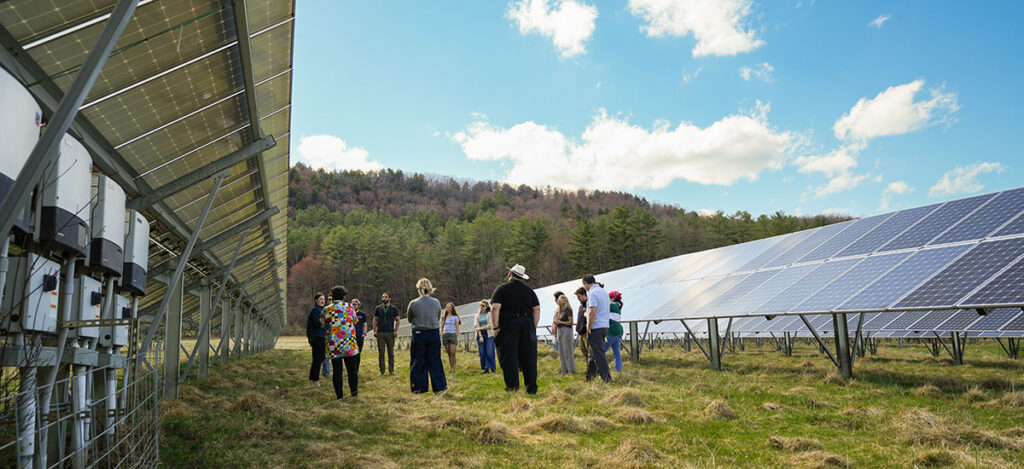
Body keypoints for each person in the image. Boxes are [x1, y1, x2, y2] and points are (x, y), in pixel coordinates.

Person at [490, 264, 540, 394]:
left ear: (510, 274)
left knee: (509, 357)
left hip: (508, 325)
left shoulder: (501, 289)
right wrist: (533, 327)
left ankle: (512, 387)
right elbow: (537, 309)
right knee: (529, 358)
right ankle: (531, 388)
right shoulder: (529, 291)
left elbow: (495, 308)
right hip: (527, 324)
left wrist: (495, 327)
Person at [407, 278, 447, 394]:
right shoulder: (436, 302)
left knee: (418, 361)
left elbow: (410, 318)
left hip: (419, 333)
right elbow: (438, 316)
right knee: (435, 361)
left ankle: (418, 388)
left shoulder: (413, 303)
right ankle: (439, 387)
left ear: (418, 289)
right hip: (433, 333)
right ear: (430, 288)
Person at [321, 285, 360, 399]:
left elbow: (323, 325)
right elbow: (355, 320)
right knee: (352, 370)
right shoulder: (349, 307)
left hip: (334, 344)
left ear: (332, 296)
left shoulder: (327, 309)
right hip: (348, 343)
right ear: (343, 296)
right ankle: (354, 394)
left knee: (337, 371)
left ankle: (339, 396)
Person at [583, 275, 611, 382]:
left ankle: (606, 377)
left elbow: (592, 312)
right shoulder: (604, 292)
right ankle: (590, 377)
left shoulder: (592, 293)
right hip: (605, 326)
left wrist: (589, 327)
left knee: (598, 353)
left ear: (586, 283)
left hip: (596, 326)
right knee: (592, 352)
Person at [372, 293, 400, 375]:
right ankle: (382, 371)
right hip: (380, 333)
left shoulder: (394, 309)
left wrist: (395, 330)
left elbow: (398, 320)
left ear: (389, 298)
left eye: (386, 297)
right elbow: (375, 319)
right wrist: (374, 330)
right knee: (381, 352)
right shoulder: (378, 308)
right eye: (383, 297)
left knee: (391, 352)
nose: (384, 298)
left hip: (390, 333)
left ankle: (391, 370)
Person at [306, 292, 328, 386]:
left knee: (317, 358)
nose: (323, 301)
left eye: (323, 299)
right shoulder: (317, 310)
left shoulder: (320, 310)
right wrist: (325, 322)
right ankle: (316, 379)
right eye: (320, 299)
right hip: (317, 337)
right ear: (316, 300)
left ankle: (313, 377)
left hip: (318, 336)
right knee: (319, 358)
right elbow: (317, 323)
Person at [553, 294, 576, 374]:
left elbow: (571, 322)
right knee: (561, 351)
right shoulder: (559, 311)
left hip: (567, 331)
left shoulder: (568, 310)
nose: (561, 304)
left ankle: (571, 370)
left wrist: (560, 322)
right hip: (560, 330)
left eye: (562, 303)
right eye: (559, 303)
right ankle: (564, 370)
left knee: (568, 351)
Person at [474, 299, 496, 374]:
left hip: (488, 334)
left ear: (486, 307)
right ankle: (485, 368)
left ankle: (492, 367)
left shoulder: (489, 314)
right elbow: (476, 325)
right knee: (482, 352)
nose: (481, 307)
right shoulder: (477, 315)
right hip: (480, 334)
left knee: (489, 351)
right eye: (480, 306)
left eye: (483, 306)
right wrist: (480, 336)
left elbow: (490, 325)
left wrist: (480, 328)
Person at [606, 291, 624, 373]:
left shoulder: (611, 305)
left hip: (611, 332)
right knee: (617, 354)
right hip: (618, 332)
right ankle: (618, 370)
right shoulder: (617, 306)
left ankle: (602, 371)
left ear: (612, 298)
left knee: (601, 352)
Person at [441, 302, 461, 375]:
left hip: (452, 335)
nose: (448, 308)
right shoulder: (444, 317)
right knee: (449, 353)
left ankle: (454, 367)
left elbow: (457, 327)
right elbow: (442, 326)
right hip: (445, 335)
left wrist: (456, 334)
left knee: (453, 352)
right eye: (447, 307)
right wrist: (442, 333)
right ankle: (451, 367)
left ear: (452, 308)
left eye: (449, 307)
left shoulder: (455, 317)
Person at [574, 287, 589, 365]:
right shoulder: (581, 307)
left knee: (590, 352)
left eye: (579, 296)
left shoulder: (589, 305)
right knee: (584, 352)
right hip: (580, 333)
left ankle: (594, 370)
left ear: (584, 295)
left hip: (586, 332)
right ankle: (588, 368)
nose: (578, 298)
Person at [352, 298, 368, 368]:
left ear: (358, 305)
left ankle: (356, 368)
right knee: (351, 354)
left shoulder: (362, 314)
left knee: (358, 354)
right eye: (352, 304)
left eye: (355, 304)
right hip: (351, 337)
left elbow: (365, 324)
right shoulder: (349, 314)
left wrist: (364, 333)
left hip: (359, 336)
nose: (354, 306)